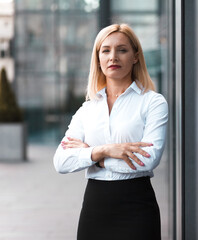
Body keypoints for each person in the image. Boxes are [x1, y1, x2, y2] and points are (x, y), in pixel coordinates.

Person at [53, 23, 168, 240]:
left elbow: (148, 159)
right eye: (106, 50)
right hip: (95, 208)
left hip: (137, 207)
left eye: (122, 50)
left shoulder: (153, 102)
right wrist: (105, 150)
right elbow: (61, 161)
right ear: (98, 59)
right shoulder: (87, 109)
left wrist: (95, 158)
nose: (113, 56)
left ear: (135, 56)